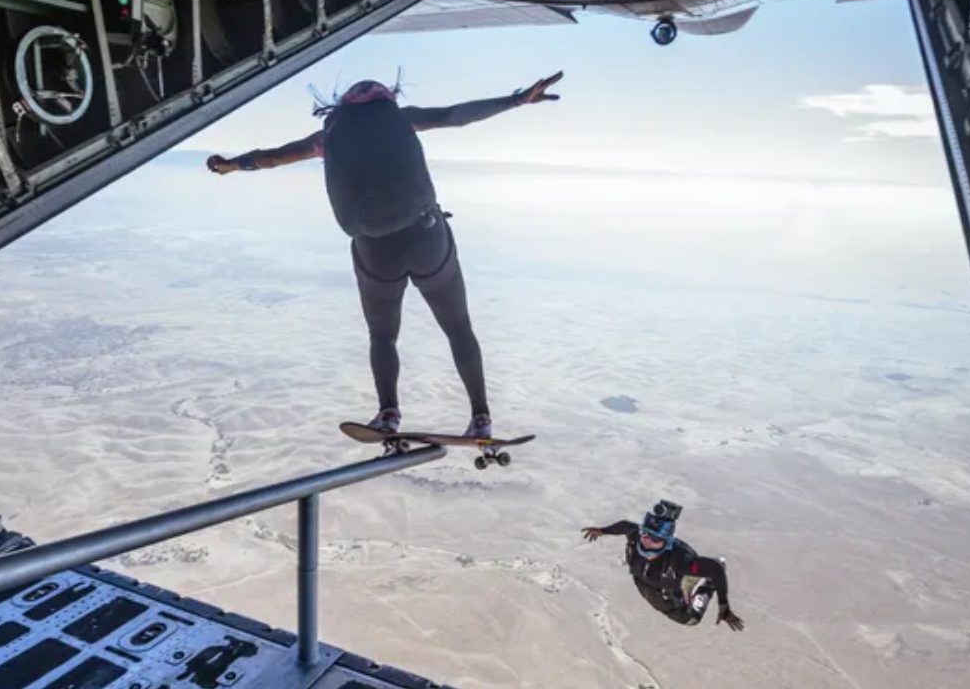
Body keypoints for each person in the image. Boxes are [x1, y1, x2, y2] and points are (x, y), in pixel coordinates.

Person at [206, 72, 564, 439]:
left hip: (375, 251)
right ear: (385, 100)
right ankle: (481, 417)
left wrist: (231, 165)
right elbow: (458, 115)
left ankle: (388, 415)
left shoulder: (328, 138)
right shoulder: (402, 120)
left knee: (383, 336)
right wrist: (516, 99)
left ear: (342, 105)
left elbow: (271, 159)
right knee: (458, 327)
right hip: (428, 241)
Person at [581, 500, 744, 631]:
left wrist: (724, 606)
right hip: (648, 587)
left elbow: (715, 570)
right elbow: (625, 526)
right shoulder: (636, 537)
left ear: (666, 542)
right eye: (645, 533)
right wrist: (602, 531)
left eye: (655, 538)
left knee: (691, 620)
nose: (647, 540)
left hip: (670, 601)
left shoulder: (679, 561)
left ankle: (706, 586)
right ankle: (690, 580)